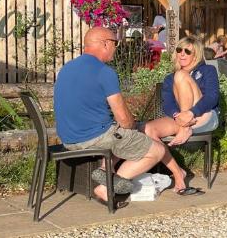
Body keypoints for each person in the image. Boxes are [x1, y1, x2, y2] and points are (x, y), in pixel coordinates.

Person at [53, 27, 168, 206]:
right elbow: (124, 120)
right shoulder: (104, 72)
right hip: (92, 138)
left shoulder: (67, 69)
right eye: (115, 43)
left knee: (121, 133)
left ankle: (106, 169)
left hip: (68, 139)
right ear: (105, 44)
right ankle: (106, 188)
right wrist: (132, 125)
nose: (116, 47)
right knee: (156, 150)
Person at [142, 37, 218, 196]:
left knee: (181, 75)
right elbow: (168, 104)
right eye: (179, 50)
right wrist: (178, 116)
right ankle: (178, 173)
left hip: (203, 115)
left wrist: (191, 113)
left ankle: (185, 128)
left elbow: (212, 97)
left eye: (187, 51)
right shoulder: (169, 79)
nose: (182, 54)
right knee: (149, 129)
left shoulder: (208, 71)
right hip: (182, 119)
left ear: (195, 55)